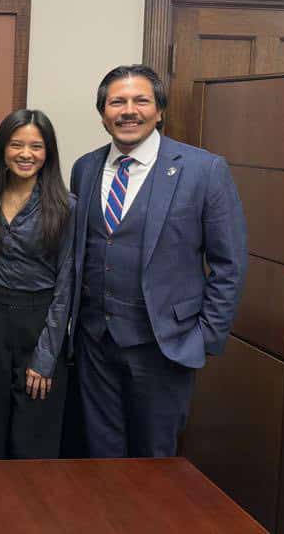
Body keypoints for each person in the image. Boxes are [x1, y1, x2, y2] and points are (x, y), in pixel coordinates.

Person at [70, 64, 247, 458]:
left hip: (165, 346)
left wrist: (204, 337)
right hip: (94, 343)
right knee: (100, 456)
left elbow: (229, 264)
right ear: (103, 114)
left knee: (154, 463)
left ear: (160, 110)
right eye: (117, 102)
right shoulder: (85, 168)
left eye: (141, 101)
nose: (128, 111)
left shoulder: (204, 170)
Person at [0, 109, 75, 459]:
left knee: (33, 435)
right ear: (3, 149)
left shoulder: (66, 206)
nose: (26, 154)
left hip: (40, 322)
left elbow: (66, 287)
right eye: (16, 144)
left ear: (48, 153)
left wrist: (46, 357)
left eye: (36, 146)